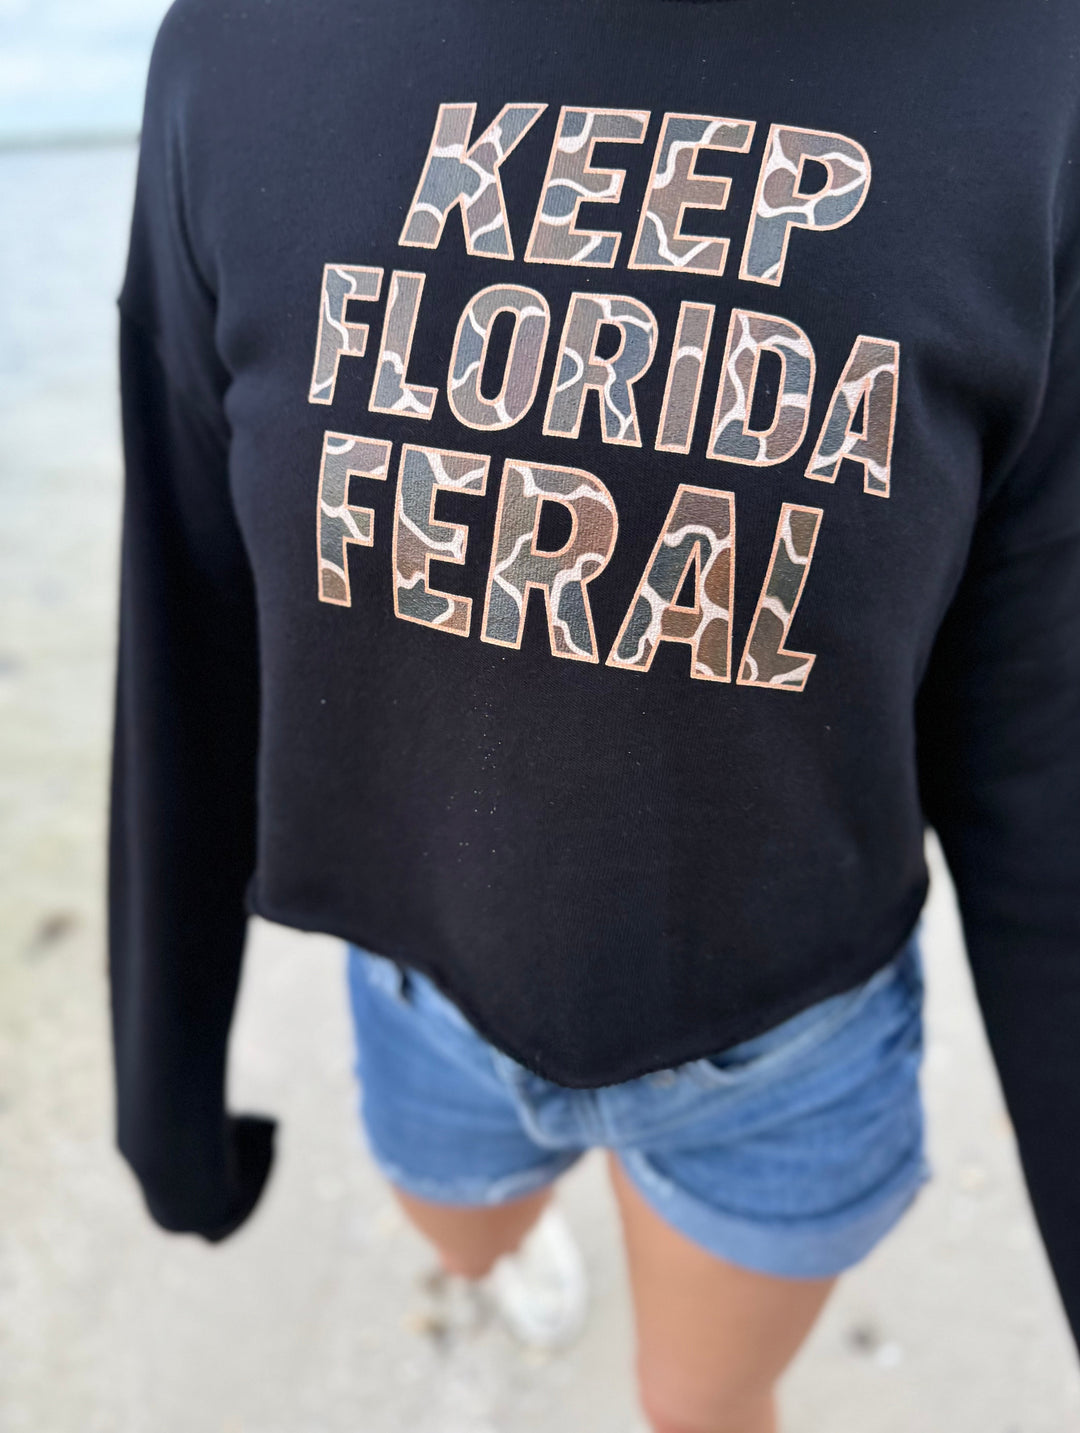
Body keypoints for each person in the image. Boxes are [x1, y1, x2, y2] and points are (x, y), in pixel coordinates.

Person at [108, 1, 1080, 1428]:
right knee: (471, 1237)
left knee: (701, 1408)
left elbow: (1045, 736)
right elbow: (185, 606)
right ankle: (508, 1246)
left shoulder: (1028, 65)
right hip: (420, 991)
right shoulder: (247, 47)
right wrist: (164, 1085)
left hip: (780, 1036)